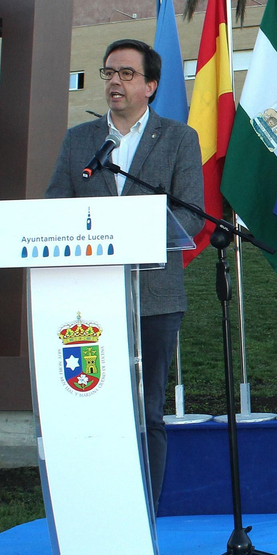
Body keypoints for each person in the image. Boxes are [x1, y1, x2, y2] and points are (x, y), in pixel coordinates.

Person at [46, 39, 204, 505]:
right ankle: (99, 507)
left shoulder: (179, 138)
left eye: (127, 74)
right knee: (93, 406)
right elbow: (57, 204)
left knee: (146, 411)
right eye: (109, 72)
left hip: (154, 297)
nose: (115, 81)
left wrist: (134, 235)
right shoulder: (80, 141)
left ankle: (145, 515)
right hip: (89, 299)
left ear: (151, 86)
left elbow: (192, 213)